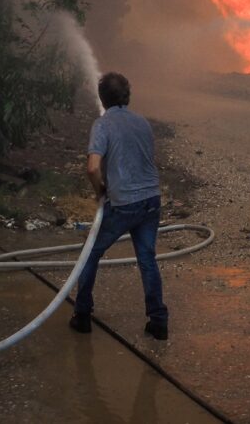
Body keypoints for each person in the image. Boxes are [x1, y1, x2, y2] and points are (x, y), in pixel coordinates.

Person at [69, 72, 169, 340]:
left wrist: (100, 190)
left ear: (102, 98)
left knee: (90, 254)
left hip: (123, 203)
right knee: (147, 259)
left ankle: (82, 315)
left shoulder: (102, 125)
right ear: (128, 95)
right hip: (151, 200)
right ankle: (158, 321)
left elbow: (92, 168)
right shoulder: (143, 123)